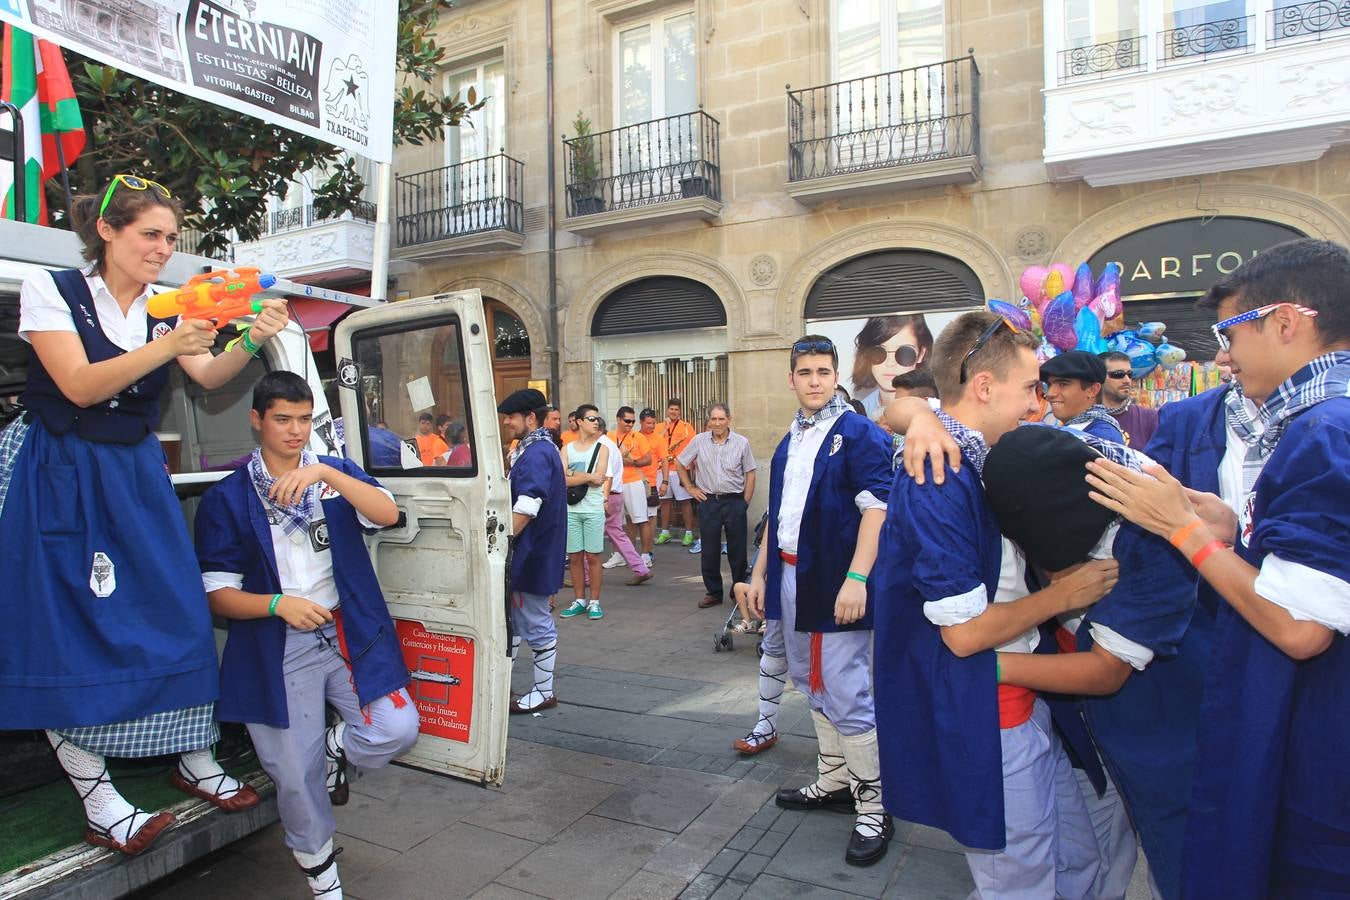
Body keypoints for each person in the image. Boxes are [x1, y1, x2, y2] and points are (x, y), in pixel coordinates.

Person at [0, 175, 283, 855]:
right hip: (61, 470)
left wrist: (250, 337)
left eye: (169, 238)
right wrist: (169, 341)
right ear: (106, 232)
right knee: (67, 629)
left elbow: (209, 377)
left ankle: (192, 757)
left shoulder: (165, 307)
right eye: (149, 235)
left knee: (178, 610)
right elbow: (78, 383)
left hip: (132, 471)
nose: (163, 249)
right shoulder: (52, 291)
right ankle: (99, 800)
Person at [1084, 239, 1350, 899]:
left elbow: (1298, 627)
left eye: (1233, 330)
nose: (1224, 353)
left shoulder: (1324, 431)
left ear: (1287, 322)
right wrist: (1235, 530)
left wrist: (1184, 529)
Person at [872, 312, 1116, 897]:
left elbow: (899, 410)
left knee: (1075, 860)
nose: (1039, 403)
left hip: (1021, 703)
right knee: (1020, 881)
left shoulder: (977, 454)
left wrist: (920, 414)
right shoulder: (940, 472)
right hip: (991, 711)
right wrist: (1065, 595)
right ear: (984, 386)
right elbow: (963, 635)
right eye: (1031, 387)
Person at [194, 372, 417, 898]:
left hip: (346, 632)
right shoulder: (227, 497)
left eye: (302, 418)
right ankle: (324, 881)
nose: (294, 431)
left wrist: (326, 473)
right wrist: (277, 603)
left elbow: (388, 513)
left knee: (398, 728)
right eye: (281, 419)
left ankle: (336, 746)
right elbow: (215, 594)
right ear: (257, 420)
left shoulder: (333, 473)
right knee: (295, 776)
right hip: (275, 645)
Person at [983, 425, 1206, 900]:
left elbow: (1105, 671)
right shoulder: (1033, 490)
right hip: (1090, 732)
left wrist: (987, 667)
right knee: (1092, 846)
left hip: (1164, 732)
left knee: (1180, 856)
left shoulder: (1149, 543)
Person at [745, 335, 895, 866]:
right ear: (791, 378)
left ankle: (875, 807)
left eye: (823, 372)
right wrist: (758, 574)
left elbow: (878, 510)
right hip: (788, 577)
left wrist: (857, 578)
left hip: (837, 583)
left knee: (849, 689)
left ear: (836, 376)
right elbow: (778, 516)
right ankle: (834, 781)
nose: (814, 380)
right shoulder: (791, 437)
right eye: (804, 372)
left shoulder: (858, 433)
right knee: (809, 681)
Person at [498, 388, 567, 714]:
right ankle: (504, 684)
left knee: (535, 623)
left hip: (532, 555)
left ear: (529, 418)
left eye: (511, 417)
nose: (507, 422)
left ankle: (543, 692)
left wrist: (498, 542)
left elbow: (527, 506)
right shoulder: (537, 448)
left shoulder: (537, 452)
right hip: (533, 552)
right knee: (515, 620)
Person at [674, 403, 757, 610]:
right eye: (714, 419)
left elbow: (750, 472)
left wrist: (744, 501)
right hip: (708, 501)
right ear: (708, 421)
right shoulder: (699, 441)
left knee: (737, 551)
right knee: (709, 551)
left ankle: (737, 590)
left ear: (729, 419)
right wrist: (690, 488)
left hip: (734, 501)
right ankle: (713, 592)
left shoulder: (741, 443)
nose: (717, 423)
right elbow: (679, 462)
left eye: (721, 419)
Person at [559, 404, 610, 621]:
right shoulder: (566, 449)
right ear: (579, 421)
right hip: (571, 509)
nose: (596, 422)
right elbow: (562, 479)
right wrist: (588, 476)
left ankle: (595, 602)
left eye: (597, 419)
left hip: (593, 509)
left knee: (594, 557)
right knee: (575, 557)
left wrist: (575, 474)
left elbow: (600, 480)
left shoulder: (602, 448)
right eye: (591, 418)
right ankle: (579, 600)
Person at [599, 406, 653, 586]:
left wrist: (632, 461)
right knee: (619, 525)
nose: (630, 424)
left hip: (632, 481)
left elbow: (649, 459)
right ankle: (619, 556)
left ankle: (644, 555)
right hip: (615, 484)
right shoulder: (608, 437)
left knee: (639, 519)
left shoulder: (638, 437)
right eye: (627, 421)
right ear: (618, 420)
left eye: (632, 421)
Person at [852, 314, 935, 418]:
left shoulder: (936, 412)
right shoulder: (858, 415)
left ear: (921, 354)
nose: (890, 363)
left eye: (904, 353)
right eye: (879, 352)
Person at [1042, 350, 1126, 443]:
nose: (1050, 393)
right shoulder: (1083, 430)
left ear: (1092, 390)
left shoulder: (1098, 438)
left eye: (1062, 384)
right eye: (1049, 385)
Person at [655, 398, 699, 550]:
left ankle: (688, 532)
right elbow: (654, 443)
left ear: (680, 411)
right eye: (671, 409)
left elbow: (694, 447)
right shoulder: (659, 426)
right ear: (667, 410)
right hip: (662, 468)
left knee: (685, 501)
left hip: (680, 469)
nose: (673, 412)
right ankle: (665, 531)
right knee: (665, 501)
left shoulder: (687, 427)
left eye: (676, 409)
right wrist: (665, 428)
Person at [1098, 350, 1158, 448]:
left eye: (1129, 374)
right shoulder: (1083, 418)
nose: (1126, 380)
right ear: (1099, 378)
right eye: (1118, 374)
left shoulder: (1149, 418)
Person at [637, 408, 663, 569]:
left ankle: (648, 551)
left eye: (654, 423)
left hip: (651, 482)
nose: (652, 426)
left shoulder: (658, 439)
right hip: (634, 481)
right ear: (641, 423)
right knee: (635, 518)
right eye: (649, 423)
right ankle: (630, 553)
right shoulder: (635, 437)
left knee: (651, 516)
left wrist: (665, 481)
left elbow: (664, 460)